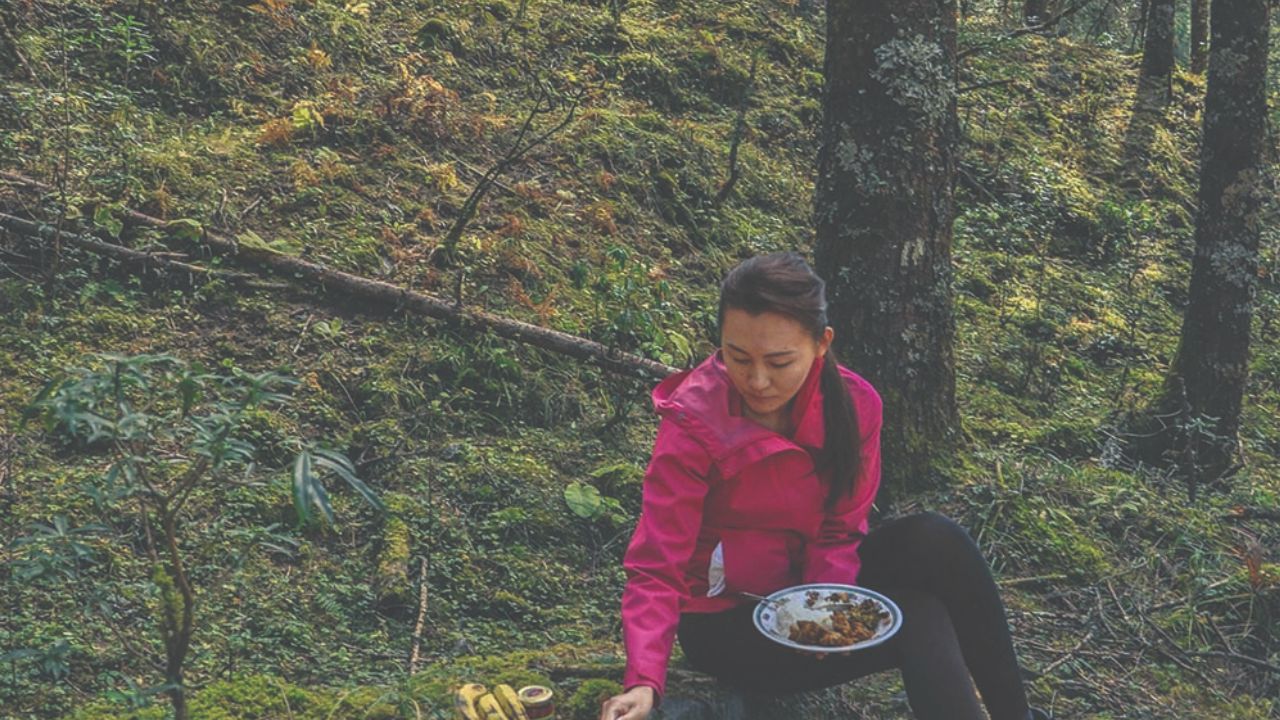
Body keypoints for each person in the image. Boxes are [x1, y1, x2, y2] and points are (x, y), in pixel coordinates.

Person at [598, 253, 1050, 720]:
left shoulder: (854, 405)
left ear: (821, 344)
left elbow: (841, 528)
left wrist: (822, 610)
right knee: (919, 617)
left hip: (808, 591)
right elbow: (658, 563)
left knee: (936, 540)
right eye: (738, 357)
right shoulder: (693, 421)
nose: (757, 380)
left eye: (779, 361)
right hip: (726, 621)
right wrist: (643, 680)